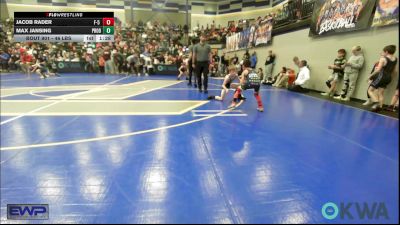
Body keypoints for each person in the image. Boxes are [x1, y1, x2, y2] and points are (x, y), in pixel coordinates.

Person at [366, 45, 398, 111]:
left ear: (386, 51)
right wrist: (390, 77)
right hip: (388, 77)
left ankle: (376, 102)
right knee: (380, 93)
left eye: (383, 52)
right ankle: (379, 107)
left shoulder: (383, 59)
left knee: (370, 90)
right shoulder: (395, 59)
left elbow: (378, 70)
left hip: (381, 76)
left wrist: (370, 76)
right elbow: (395, 71)